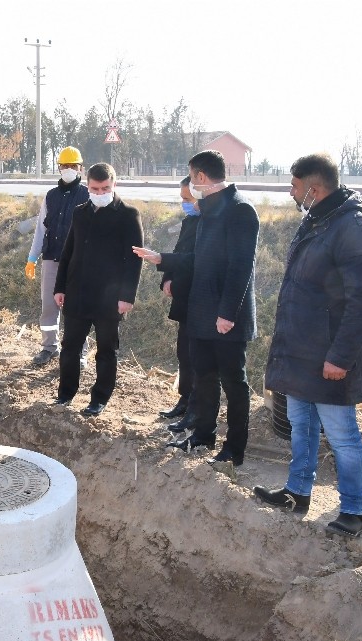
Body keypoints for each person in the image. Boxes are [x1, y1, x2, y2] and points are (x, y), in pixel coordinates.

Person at [253, 153, 362, 539]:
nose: (291, 194)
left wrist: (340, 357)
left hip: (329, 356)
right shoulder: (317, 220)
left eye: (295, 187)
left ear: (314, 188)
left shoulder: (354, 228)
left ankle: (353, 511)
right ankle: (297, 492)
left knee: (342, 435)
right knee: (301, 427)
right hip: (300, 350)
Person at [133, 150, 259, 466]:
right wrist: (163, 259)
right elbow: (199, 259)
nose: (191, 184)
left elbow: (240, 268)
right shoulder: (208, 210)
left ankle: (234, 449)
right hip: (201, 312)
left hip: (226, 317)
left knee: (233, 382)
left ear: (201, 177)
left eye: (191, 176)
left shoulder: (240, 210)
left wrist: (228, 314)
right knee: (204, 377)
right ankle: (203, 436)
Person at [53, 163, 143, 416]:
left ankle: (99, 399)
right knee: (70, 347)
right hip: (77, 293)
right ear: (87, 186)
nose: (100, 192)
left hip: (109, 298)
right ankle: (65, 394)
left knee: (106, 351)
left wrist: (127, 296)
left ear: (114, 185)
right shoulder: (80, 212)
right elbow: (68, 251)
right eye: (95, 188)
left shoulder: (128, 214)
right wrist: (60, 287)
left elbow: (134, 259)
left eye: (105, 188)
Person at [25, 146, 92, 367]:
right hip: (51, 259)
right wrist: (32, 258)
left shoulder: (88, 195)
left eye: (73, 166)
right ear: (59, 168)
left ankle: (79, 352)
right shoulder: (51, 196)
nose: (68, 169)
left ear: (80, 168)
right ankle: (48, 348)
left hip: (78, 262)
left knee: (77, 308)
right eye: (64, 165)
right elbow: (40, 229)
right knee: (49, 307)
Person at [158, 176, 200, 428]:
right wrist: (167, 278)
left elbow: (194, 260)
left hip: (200, 297)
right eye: (182, 198)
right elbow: (178, 254)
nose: (184, 203)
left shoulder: (209, 224)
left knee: (197, 355)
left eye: (188, 199)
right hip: (183, 297)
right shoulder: (189, 221)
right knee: (183, 352)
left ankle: (197, 406)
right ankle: (184, 399)